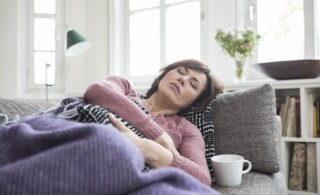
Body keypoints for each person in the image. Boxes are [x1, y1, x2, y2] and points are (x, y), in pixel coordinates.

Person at [83, 59, 224, 186]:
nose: (183, 78)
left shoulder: (187, 130)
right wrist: (159, 136)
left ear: (194, 103)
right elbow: (96, 91)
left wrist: (149, 149)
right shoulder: (125, 88)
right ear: (163, 75)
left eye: (193, 85)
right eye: (180, 71)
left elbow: (202, 180)